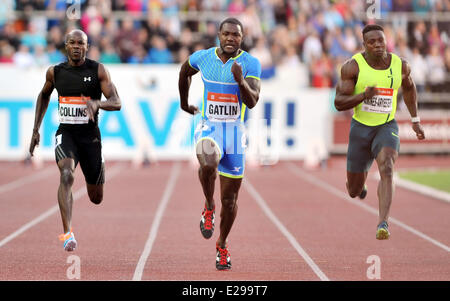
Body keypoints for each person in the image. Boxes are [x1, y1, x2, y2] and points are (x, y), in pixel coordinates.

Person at [178, 18, 261, 270]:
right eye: (226, 34)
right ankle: (208, 205)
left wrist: (240, 81)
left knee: (231, 201)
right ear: (218, 35)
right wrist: (184, 102)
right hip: (210, 126)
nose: (230, 39)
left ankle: (222, 245)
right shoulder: (203, 58)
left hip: (235, 132)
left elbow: (253, 100)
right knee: (207, 161)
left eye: (235, 35)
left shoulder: (249, 63)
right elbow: (184, 71)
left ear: (242, 38)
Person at [29, 29, 121, 251]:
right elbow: (43, 95)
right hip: (66, 133)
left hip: (90, 138)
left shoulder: (98, 70)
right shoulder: (55, 72)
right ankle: (67, 233)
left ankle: (100, 166)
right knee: (66, 174)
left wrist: (97, 104)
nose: (77, 46)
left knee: (96, 198)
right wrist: (35, 129)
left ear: (87, 46)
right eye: (73, 42)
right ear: (66, 46)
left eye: (82, 43)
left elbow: (116, 102)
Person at [334, 24, 425, 240]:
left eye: (381, 40)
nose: (377, 45)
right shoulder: (352, 67)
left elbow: (410, 87)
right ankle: (360, 184)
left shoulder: (400, 65)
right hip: (360, 129)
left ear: (387, 41)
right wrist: (363, 96)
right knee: (353, 191)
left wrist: (415, 120)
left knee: (387, 166)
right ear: (364, 45)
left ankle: (383, 222)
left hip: (386, 125)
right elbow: (338, 102)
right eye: (372, 42)